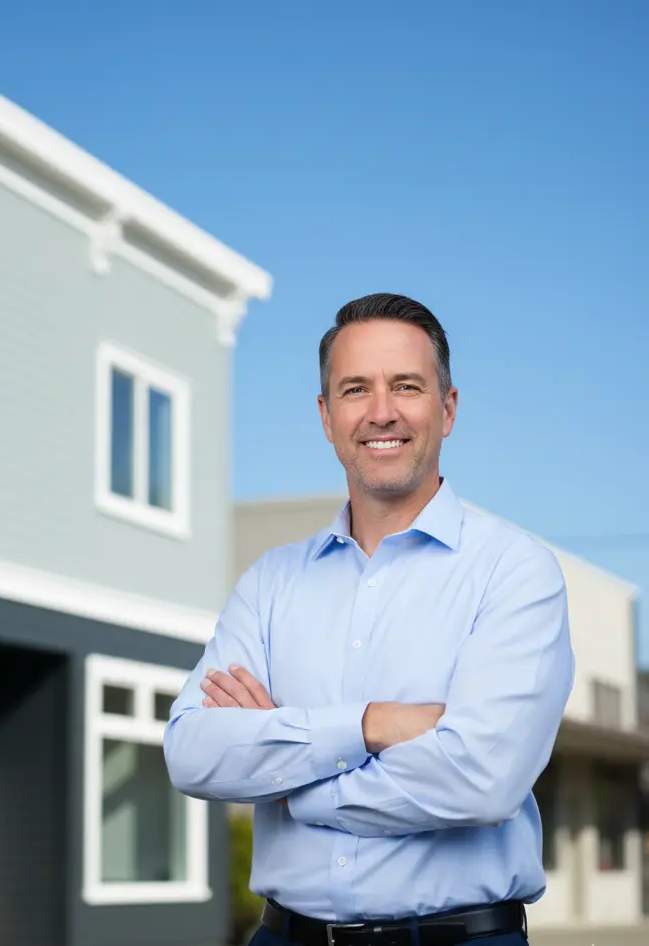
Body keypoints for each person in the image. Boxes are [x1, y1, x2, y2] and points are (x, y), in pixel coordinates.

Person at [163, 293, 575, 946]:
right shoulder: (271, 583)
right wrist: (371, 724)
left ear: (447, 408)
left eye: (406, 386)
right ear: (327, 417)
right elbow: (191, 752)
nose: (381, 412)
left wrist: (289, 782)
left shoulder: (514, 571)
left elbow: (481, 780)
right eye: (356, 389)